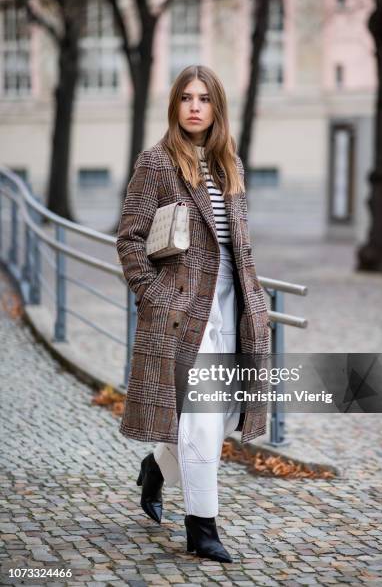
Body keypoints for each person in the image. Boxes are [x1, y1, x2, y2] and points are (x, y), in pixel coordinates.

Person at [116, 65, 271, 563]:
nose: (195, 107)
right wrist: (152, 293)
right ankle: (202, 527)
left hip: (234, 303)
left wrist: (254, 296)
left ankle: (158, 468)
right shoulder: (157, 162)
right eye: (186, 98)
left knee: (226, 416)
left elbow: (237, 244)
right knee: (203, 420)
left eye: (204, 98)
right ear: (175, 105)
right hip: (185, 309)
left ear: (217, 106)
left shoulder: (232, 165)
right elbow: (130, 237)